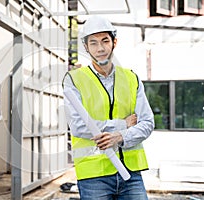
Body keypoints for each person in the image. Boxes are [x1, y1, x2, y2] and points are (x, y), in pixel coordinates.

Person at [63, 15, 154, 200]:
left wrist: (121, 136)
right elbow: (78, 126)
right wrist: (122, 125)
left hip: (131, 172)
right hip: (93, 175)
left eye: (105, 41)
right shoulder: (74, 79)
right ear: (86, 47)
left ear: (114, 42)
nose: (100, 48)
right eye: (94, 43)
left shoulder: (131, 78)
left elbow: (147, 122)